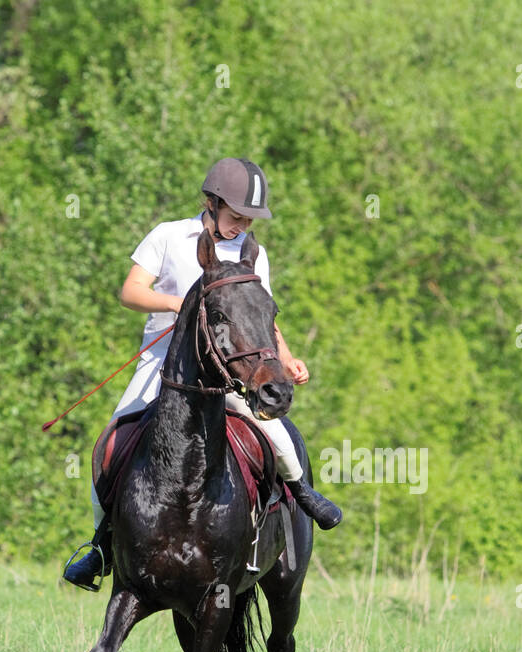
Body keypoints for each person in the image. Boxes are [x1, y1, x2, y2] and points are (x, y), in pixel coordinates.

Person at [63, 158, 341, 590]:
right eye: (236, 216)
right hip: (164, 367)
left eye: (250, 219)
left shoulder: (253, 252)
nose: (242, 225)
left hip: (225, 371)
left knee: (277, 433)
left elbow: (258, 317)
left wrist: (285, 357)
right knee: (112, 444)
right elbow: (130, 291)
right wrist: (179, 305)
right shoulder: (170, 235)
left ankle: (302, 495)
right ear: (211, 203)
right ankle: (102, 544)